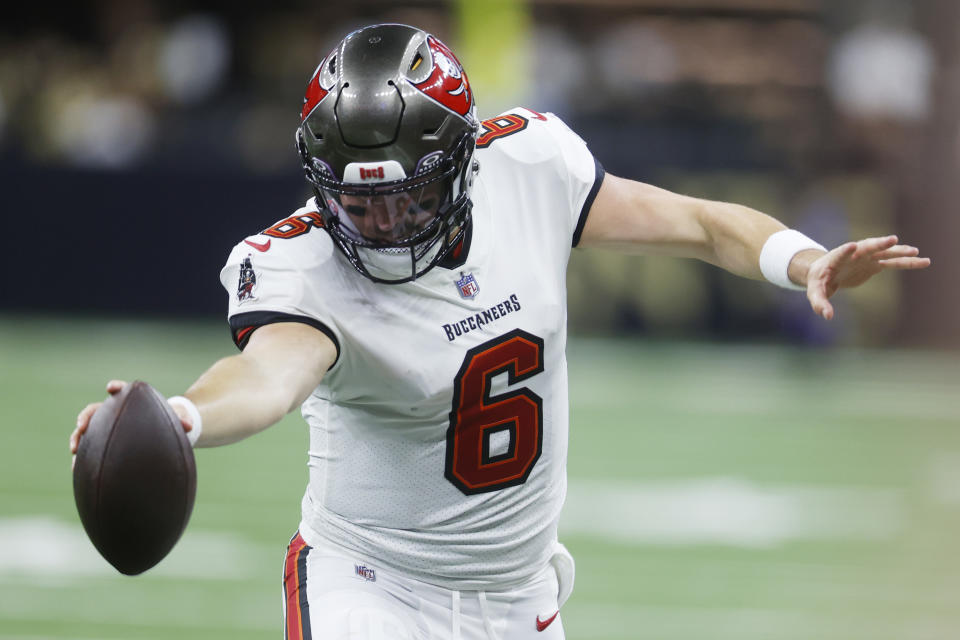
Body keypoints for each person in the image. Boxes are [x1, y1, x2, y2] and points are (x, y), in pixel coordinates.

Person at [69, 23, 929, 640]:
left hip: (520, 597)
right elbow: (265, 376)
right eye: (358, 201)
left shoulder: (529, 167)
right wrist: (181, 418)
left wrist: (800, 257)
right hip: (371, 590)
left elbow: (700, 223)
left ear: (464, 161)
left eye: (405, 195)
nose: (381, 224)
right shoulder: (303, 265)